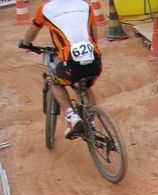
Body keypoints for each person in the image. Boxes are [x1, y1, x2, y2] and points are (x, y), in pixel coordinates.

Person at [19, 0, 102, 138]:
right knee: (86, 86)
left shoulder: (45, 9)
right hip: (95, 61)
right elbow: (94, 35)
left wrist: (26, 43)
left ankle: (71, 116)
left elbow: (31, 33)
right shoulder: (85, 5)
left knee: (54, 81)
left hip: (70, 63)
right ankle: (92, 125)